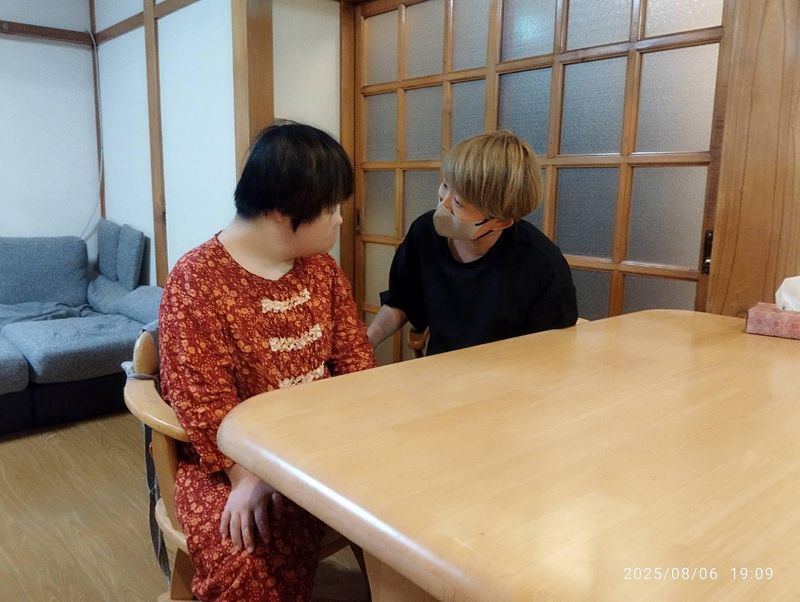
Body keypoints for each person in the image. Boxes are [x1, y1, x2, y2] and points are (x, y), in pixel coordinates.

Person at [158, 122, 375, 601]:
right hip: (226, 462)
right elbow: (203, 402)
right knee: (248, 556)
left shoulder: (321, 269)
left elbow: (356, 363)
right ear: (283, 210)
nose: (340, 220)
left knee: (407, 508)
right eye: (330, 208)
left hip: (321, 447)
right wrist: (247, 475)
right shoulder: (197, 279)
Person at [367, 130, 577, 355]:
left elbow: (551, 351)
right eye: (445, 185)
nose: (444, 204)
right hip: (440, 368)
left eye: (459, 202)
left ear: (500, 222)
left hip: (508, 372)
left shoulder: (543, 265)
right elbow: (402, 302)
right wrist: (365, 341)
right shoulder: (424, 233)